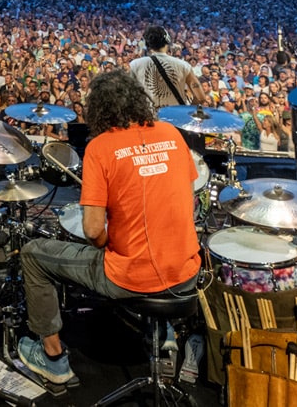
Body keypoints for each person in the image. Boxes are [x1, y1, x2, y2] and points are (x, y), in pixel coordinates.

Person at [17, 69, 201, 386]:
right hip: (186, 275)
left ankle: (53, 359)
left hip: (132, 278)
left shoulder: (101, 147)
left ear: (99, 109)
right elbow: (187, 202)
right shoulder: (171, 133)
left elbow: (91, 230)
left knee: (33, 254)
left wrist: (106, 243)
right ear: (138, 101)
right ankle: (162, 329)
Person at [129, 25, 208, 108]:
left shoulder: (135, 65)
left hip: (147, 117)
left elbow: (126, 93)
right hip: (175, 117)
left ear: (147, 44)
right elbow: (201, 97)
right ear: (167, 42)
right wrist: (187, 110)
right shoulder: (184, 65)